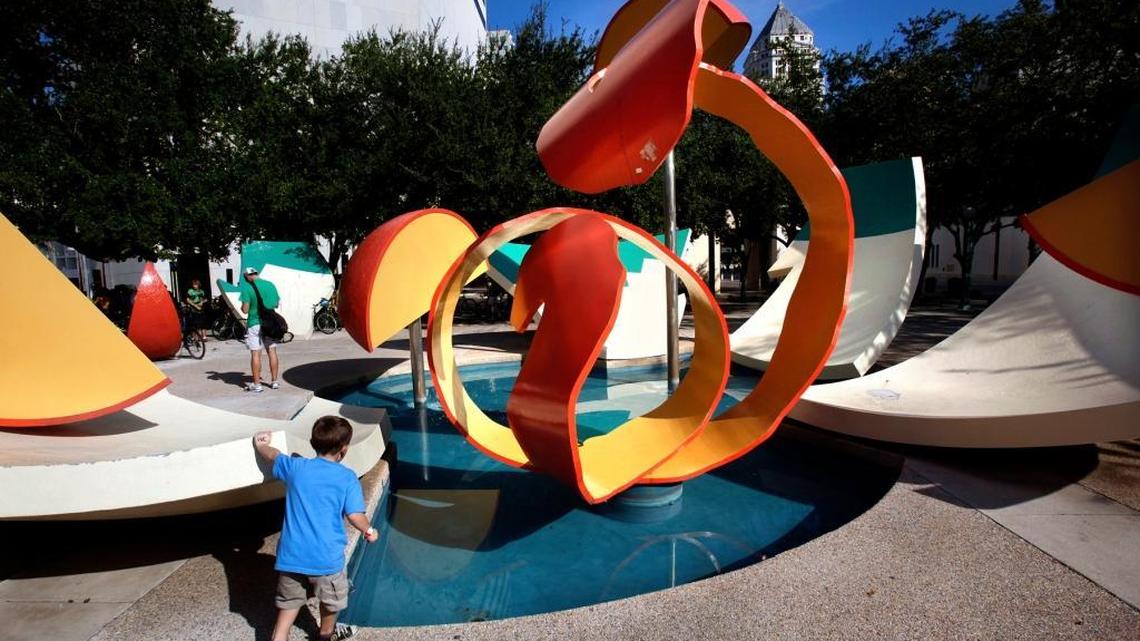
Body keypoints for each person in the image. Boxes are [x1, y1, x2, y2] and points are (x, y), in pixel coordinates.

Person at [253, 417, 379, 641]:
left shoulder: (296, 468)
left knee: (288, 606)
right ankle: (325, 635)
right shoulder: (347, 478)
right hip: (325, 559)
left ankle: (279, 636)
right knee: (331, 602)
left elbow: (273, 456)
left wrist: (261, 444)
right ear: (344, 448)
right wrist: (369, 531)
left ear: (313, 442)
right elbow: (355, 515)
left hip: (291, 557)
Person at [239, 266, 281, 392]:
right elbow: (276, 304)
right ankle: (274, 382)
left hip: (254, 323)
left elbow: (245, 310)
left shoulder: (247, 288)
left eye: (245, 277)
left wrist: (244, 307)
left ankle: (257, 385)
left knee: (256, 353)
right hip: (269, 323)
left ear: (247, 275)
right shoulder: (270, 285)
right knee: (272, 351)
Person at [183, 278, 208, 342]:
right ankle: (196, 337)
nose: (194, 286)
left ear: (199, 285)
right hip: (193, 308)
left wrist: (202, 302)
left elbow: (206, 299)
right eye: (194, 285)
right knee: (195, 323)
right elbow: (187, 300)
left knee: (203, 323)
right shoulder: (190, 291)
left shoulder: (201, 291)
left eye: (196, 285)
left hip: (201, 308)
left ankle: (204, 336)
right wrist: (195, 305)